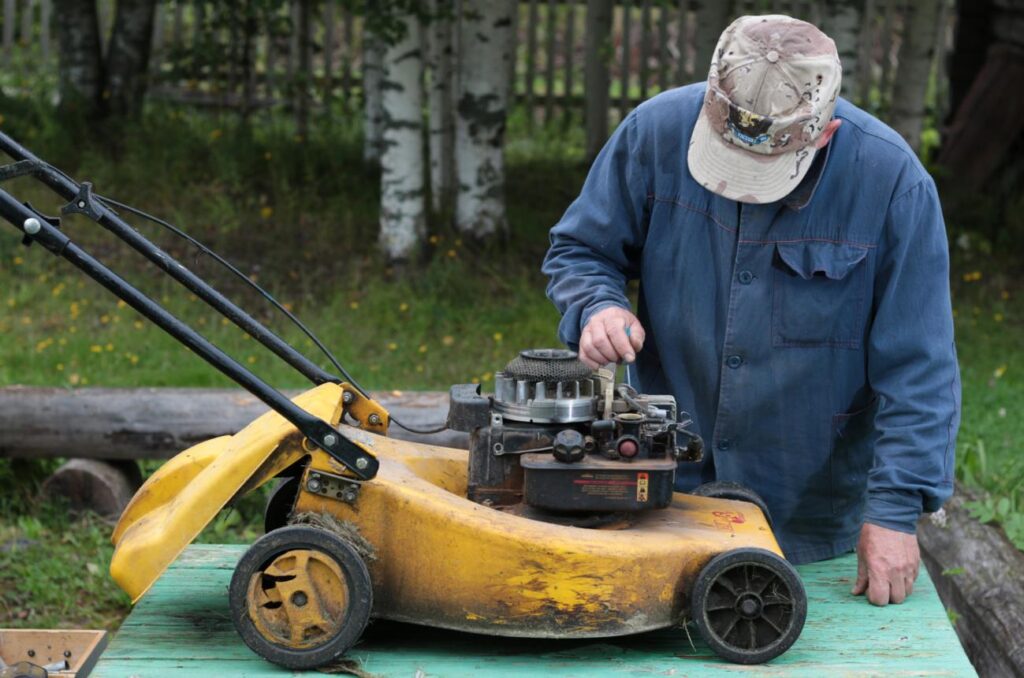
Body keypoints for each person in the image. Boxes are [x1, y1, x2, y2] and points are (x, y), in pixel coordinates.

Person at [542, 14, 960, 607]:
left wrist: (894, 511)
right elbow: (581, 249)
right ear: (712, 99)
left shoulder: (894, 186)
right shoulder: (654, 132)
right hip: (663, 492)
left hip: (811, 521)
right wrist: (596, 308)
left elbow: (920, 367)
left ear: (824, 134)